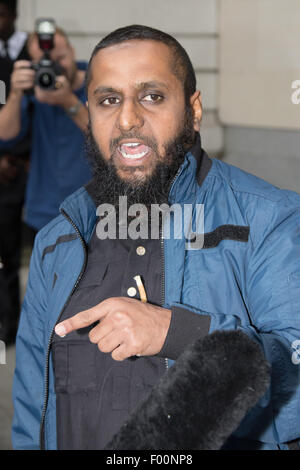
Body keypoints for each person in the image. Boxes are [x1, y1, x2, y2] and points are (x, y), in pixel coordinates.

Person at [12, 25, 300, 451]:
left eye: (152, 96)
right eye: (109, 100)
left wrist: (179, 333)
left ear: (194, 109)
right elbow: (31, 413)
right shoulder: (57, 240)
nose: (128, 118)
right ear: (89, 116)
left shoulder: (269, 219)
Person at [0, 25, 92, 236]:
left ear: (72, 52)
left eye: (59, 60)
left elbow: (108, 139)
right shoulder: (35, 89)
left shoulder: (95, 83)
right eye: (43, 63)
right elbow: (5, 135)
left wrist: (68, 101)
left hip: (92, 211)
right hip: (44, 212)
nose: (53, 69)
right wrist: (15, 93)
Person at [0, 0, 31, 344]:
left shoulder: (32, 51)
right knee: (4, 251)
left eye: (3, 13)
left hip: (30, 168)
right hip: (2, 170)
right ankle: (7, 324)